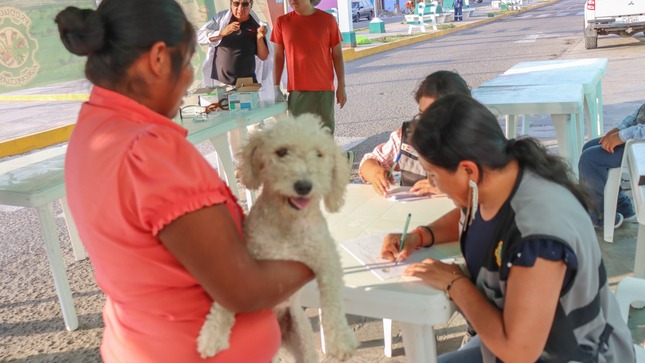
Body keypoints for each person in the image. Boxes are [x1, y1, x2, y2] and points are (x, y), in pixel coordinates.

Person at [55, 1, 313, 362]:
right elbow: (242, 289)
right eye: (189, 60)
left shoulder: (92, 127)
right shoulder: (152, 152)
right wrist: (315, 256)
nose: (191, 76)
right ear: (159, 58)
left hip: (135, 342)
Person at [380, 95, 635, 362]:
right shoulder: (497, 178)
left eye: (433, 175)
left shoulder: (538, 232)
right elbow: (475, 216)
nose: (435, 185)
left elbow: (519, 352)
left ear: (468, 170)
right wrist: (421, 236)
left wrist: (455, 282)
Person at [358, 70, 471, 196]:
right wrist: (375, 172)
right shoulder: (408, 137)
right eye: (422, 113)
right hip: (413, 213)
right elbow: (370, 160)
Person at [271, 0, 346, 135]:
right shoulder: (282, 22)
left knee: (325, 137)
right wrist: (276, 87)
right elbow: (278, 57)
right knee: (300, 140)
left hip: (324, 90)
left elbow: (337, 55)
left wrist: (342, 86)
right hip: (298, 91)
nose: (292, 1)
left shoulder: (328, 20)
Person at [578, 102, 643, 228]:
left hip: (640, 150)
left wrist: (621, 136)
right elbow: (639, 113)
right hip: (635, 141)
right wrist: (618, 129)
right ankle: (621, 206)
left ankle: (599, 216)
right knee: (589, 146)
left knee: (590, 159)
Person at [197, 0, 270, 89]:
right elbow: (199, 37)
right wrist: (222, 33)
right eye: (236, 3)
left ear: (251, 5)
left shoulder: (257, 25)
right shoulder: (221, 19)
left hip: (246, 84)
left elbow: (263, 56)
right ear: (231, 5)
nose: (240, 8)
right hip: (222, 85)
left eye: (245, 4)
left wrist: (260, 38)